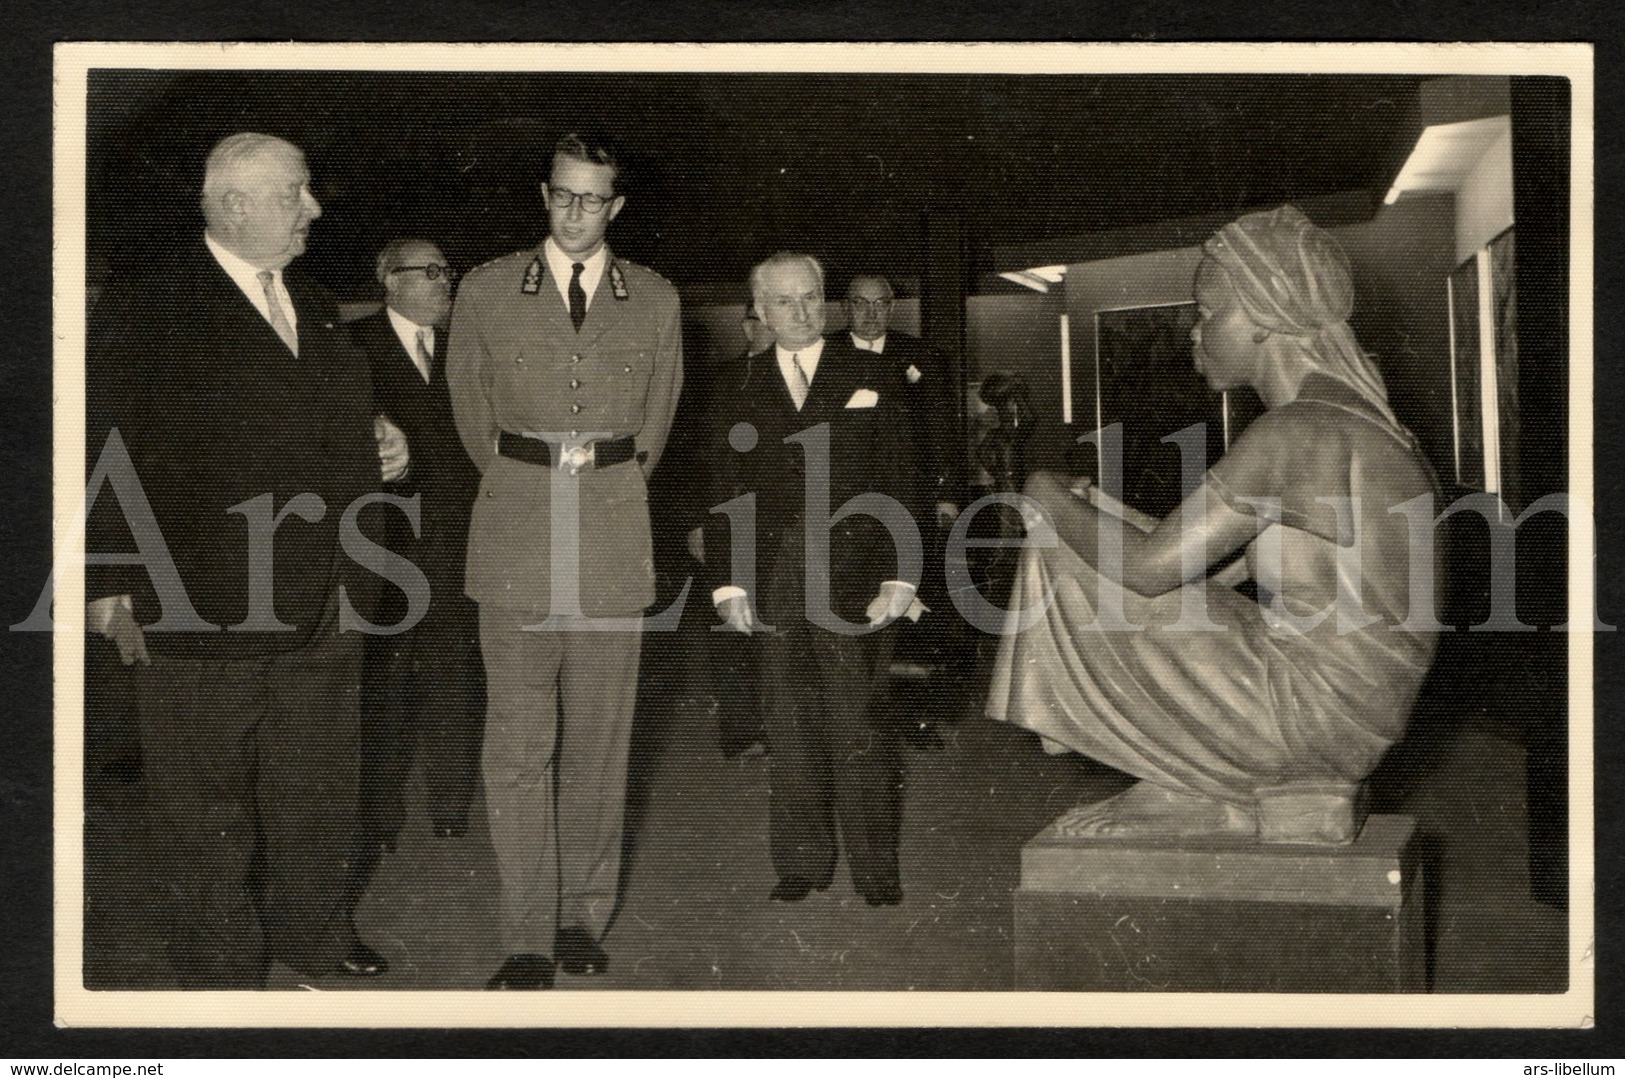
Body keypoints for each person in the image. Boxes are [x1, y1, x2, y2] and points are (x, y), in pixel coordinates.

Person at [987, 205, 1441, 845]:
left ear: (1262, 316)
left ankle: (1193, 779)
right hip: (1353, 714)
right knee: (1085, 538)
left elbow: (1149, 572)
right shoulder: (1358, 422)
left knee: (1063, 546)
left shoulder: (1291, 433)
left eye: (1207, 312)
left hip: (1307, 715)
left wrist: (1041, 491)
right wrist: (1100, 513)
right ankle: (1205, 790)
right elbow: (1211, 569)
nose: (1193, 332)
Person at [84, 132, 405, 988]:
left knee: (318, 790)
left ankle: (314, 935)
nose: (314, 209)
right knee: (203, 811)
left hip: (329, 596)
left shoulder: (314, 301)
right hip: (197, 599)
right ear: (231, 204)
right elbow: (97, 446)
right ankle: (221, 978)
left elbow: (333, 430)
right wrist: (107, 587)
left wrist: (386, 445)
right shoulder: (147, 304)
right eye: (295, 193)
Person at [447, 132, 682, 990]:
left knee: (598, 742)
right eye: (562, 196)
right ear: (544, 195)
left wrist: (595, 484)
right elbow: (472, 419)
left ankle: (582, 917)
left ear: (617, 206)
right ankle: (525, 935)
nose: (577, 214)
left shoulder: (653, 298)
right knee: (516, 745)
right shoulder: (483, 289)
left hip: (615, 533)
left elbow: (653, 427)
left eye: (594, 200)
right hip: (514, 530)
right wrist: (533, 476)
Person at [706, 252, 919, 906]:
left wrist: (902, 576)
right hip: (773, 574)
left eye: (809, 298)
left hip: (855, 570)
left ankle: (876, 872)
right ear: (760, 311)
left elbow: (902, 478)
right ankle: (800, 861)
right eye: (783, 302)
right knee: (787, 720)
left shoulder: (871, 372)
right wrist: (728, 583)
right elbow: (726, 490)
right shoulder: (735, 386)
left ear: (823, 300)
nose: (799, 312)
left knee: (858, 724)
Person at [348, 238, 484, 852]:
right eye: (429, 272)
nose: (443, 282)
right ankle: (378, 814)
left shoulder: (467, 347)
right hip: (381, 545)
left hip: (460, 538)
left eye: (446, 270)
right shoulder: (351, 346)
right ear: (388, 279)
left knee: (455, 672)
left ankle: (451, 805)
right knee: (383, 681)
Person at [845, 274, 961, 749]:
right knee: (850, 606)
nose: (871, 314)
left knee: (914, 609)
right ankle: (853, 717)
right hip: (844, 506)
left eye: (880, 304)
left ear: (892, 309)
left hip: (908, 500)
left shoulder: (923, 357)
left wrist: (946, 495)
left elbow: (942, 429)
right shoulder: (826, 354)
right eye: (861, 304)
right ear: (847, 308)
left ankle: (914, 719)